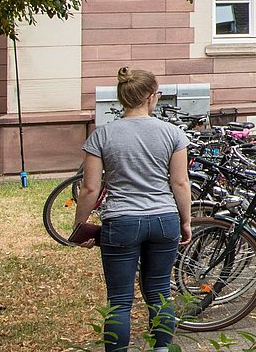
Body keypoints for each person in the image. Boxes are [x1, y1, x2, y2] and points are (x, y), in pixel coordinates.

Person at [74, 67, 193, 352]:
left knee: (119, 300)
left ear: (121, 97)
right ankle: (161, 349)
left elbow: (90, 188)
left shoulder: (102, 136)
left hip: (121, 220)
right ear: (152, 97)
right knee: (160, 293)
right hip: (164, 220)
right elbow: (179, 181)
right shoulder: (172, 134)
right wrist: (185, 221)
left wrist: (80, 225)